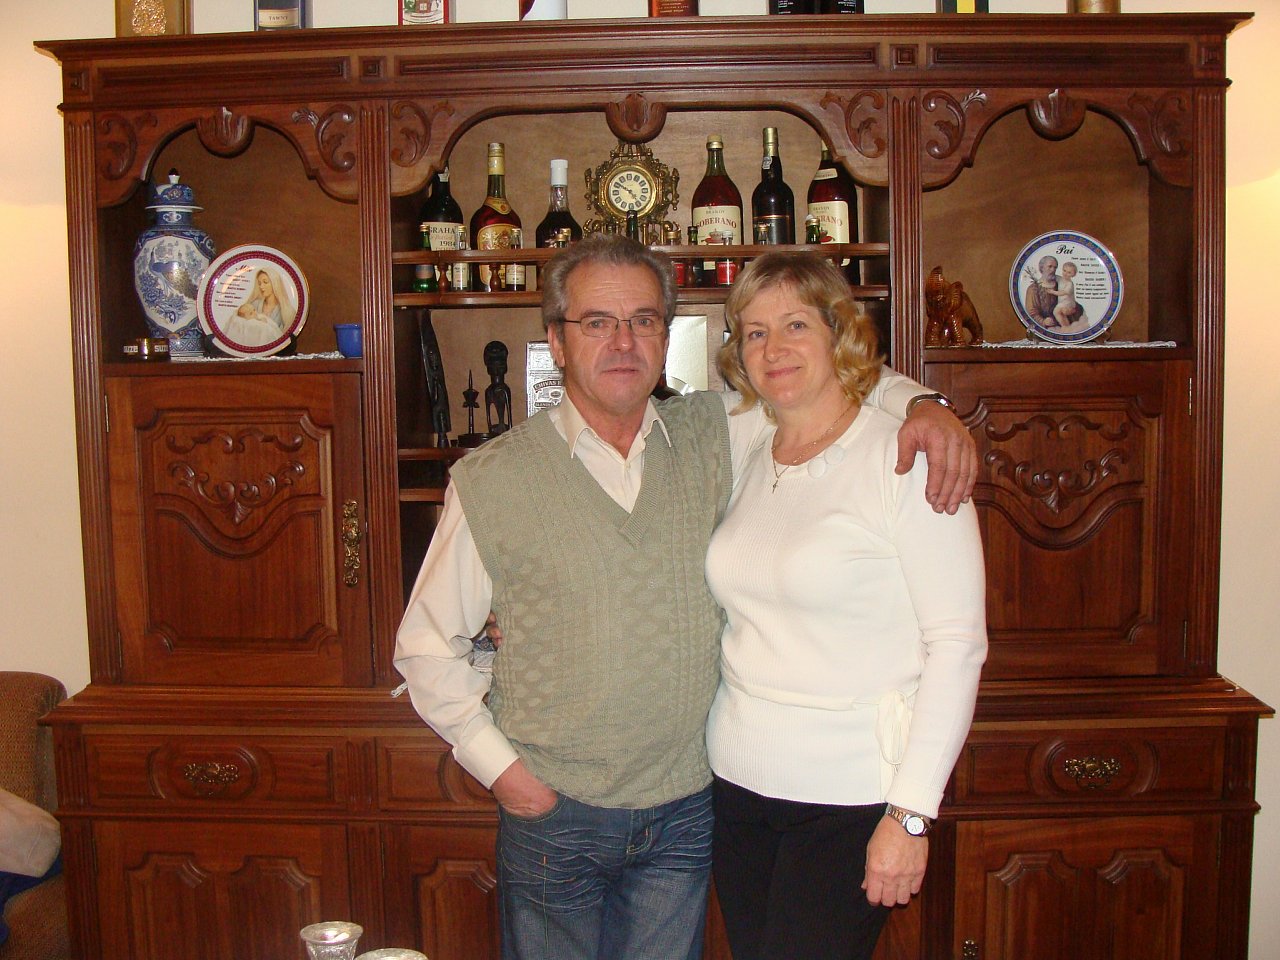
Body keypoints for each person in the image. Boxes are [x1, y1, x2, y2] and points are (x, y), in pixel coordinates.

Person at [393, 235, 977, 960]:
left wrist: (926, 403)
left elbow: (829, 377)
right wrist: (505, 774)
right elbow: (426, 648)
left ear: (667, 339)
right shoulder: (493, 478)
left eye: (643, 320)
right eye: (596, 322)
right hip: (558, 815)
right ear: (556, 341)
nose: (622, 341)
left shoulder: (714, 432)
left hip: (688, 812)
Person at [706, 251, 988, 960]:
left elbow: (957, 645)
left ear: (840, 331)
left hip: (851, 798)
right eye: (755, 332)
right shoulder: (749, 441)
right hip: (735, 786)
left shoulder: (906, 457)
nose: (774, 348)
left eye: (796, 324)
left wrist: (911, 815)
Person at [224, 267, 291, 346]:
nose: (261, 286)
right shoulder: (253, 304)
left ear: (275, 283)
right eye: (259, 283)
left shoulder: (285, 310)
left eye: (265, 282)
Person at [1024, 254, 1082, 329]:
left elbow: (1070, 300)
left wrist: (1073, 309)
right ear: (1041, 268)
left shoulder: (1060, 283)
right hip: (1047, 329)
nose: (1053, 270)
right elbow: (1031, 312)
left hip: (1064, 326)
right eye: (1050, 266)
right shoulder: (1033, 289)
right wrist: (1043, 321)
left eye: (1055, 267)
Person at [1048, 259, 1083, 328]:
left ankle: (1064, 326)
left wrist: (1053, 292)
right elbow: (1053, 276)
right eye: (1064, 270)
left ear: (1073, 274)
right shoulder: (1060, 279)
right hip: (1062, 302)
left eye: (1069, 272)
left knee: (1056, 311)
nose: (1065, 273)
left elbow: (1064, 292)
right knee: (1060, 313)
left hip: (1068, 303)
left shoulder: (1070, 284)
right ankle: (1066, 326)